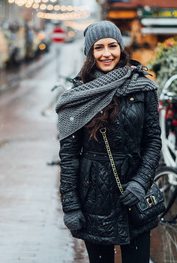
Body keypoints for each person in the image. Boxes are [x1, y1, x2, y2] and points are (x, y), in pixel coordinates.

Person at [55, 21, 162, 262]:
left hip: (134, 196)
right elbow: (70, 156)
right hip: (94, 199)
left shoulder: (142, 86)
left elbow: (152, 141)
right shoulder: (79, 95)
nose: (106, 54)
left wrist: (140, 182)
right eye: (98, 48)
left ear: (120, 48)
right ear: (90, 53)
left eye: (112, 46)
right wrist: (71, 205)